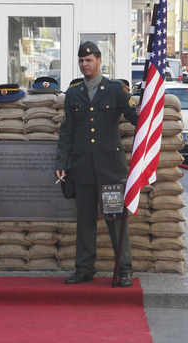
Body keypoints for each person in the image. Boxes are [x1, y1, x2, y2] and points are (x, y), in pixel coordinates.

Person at [54, 41, 139, 287]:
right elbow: (66, 130)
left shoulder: (116, 90)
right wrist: (61, 161)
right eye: (81, 61)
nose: (84, 65)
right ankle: (84, 269)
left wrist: (146, 114)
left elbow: (134, 116)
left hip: (110, 168)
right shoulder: (73, 94)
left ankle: (124, 270)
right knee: (85, 221)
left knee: (115, 219)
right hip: (82, 167)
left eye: (89, 60)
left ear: (99, 61)